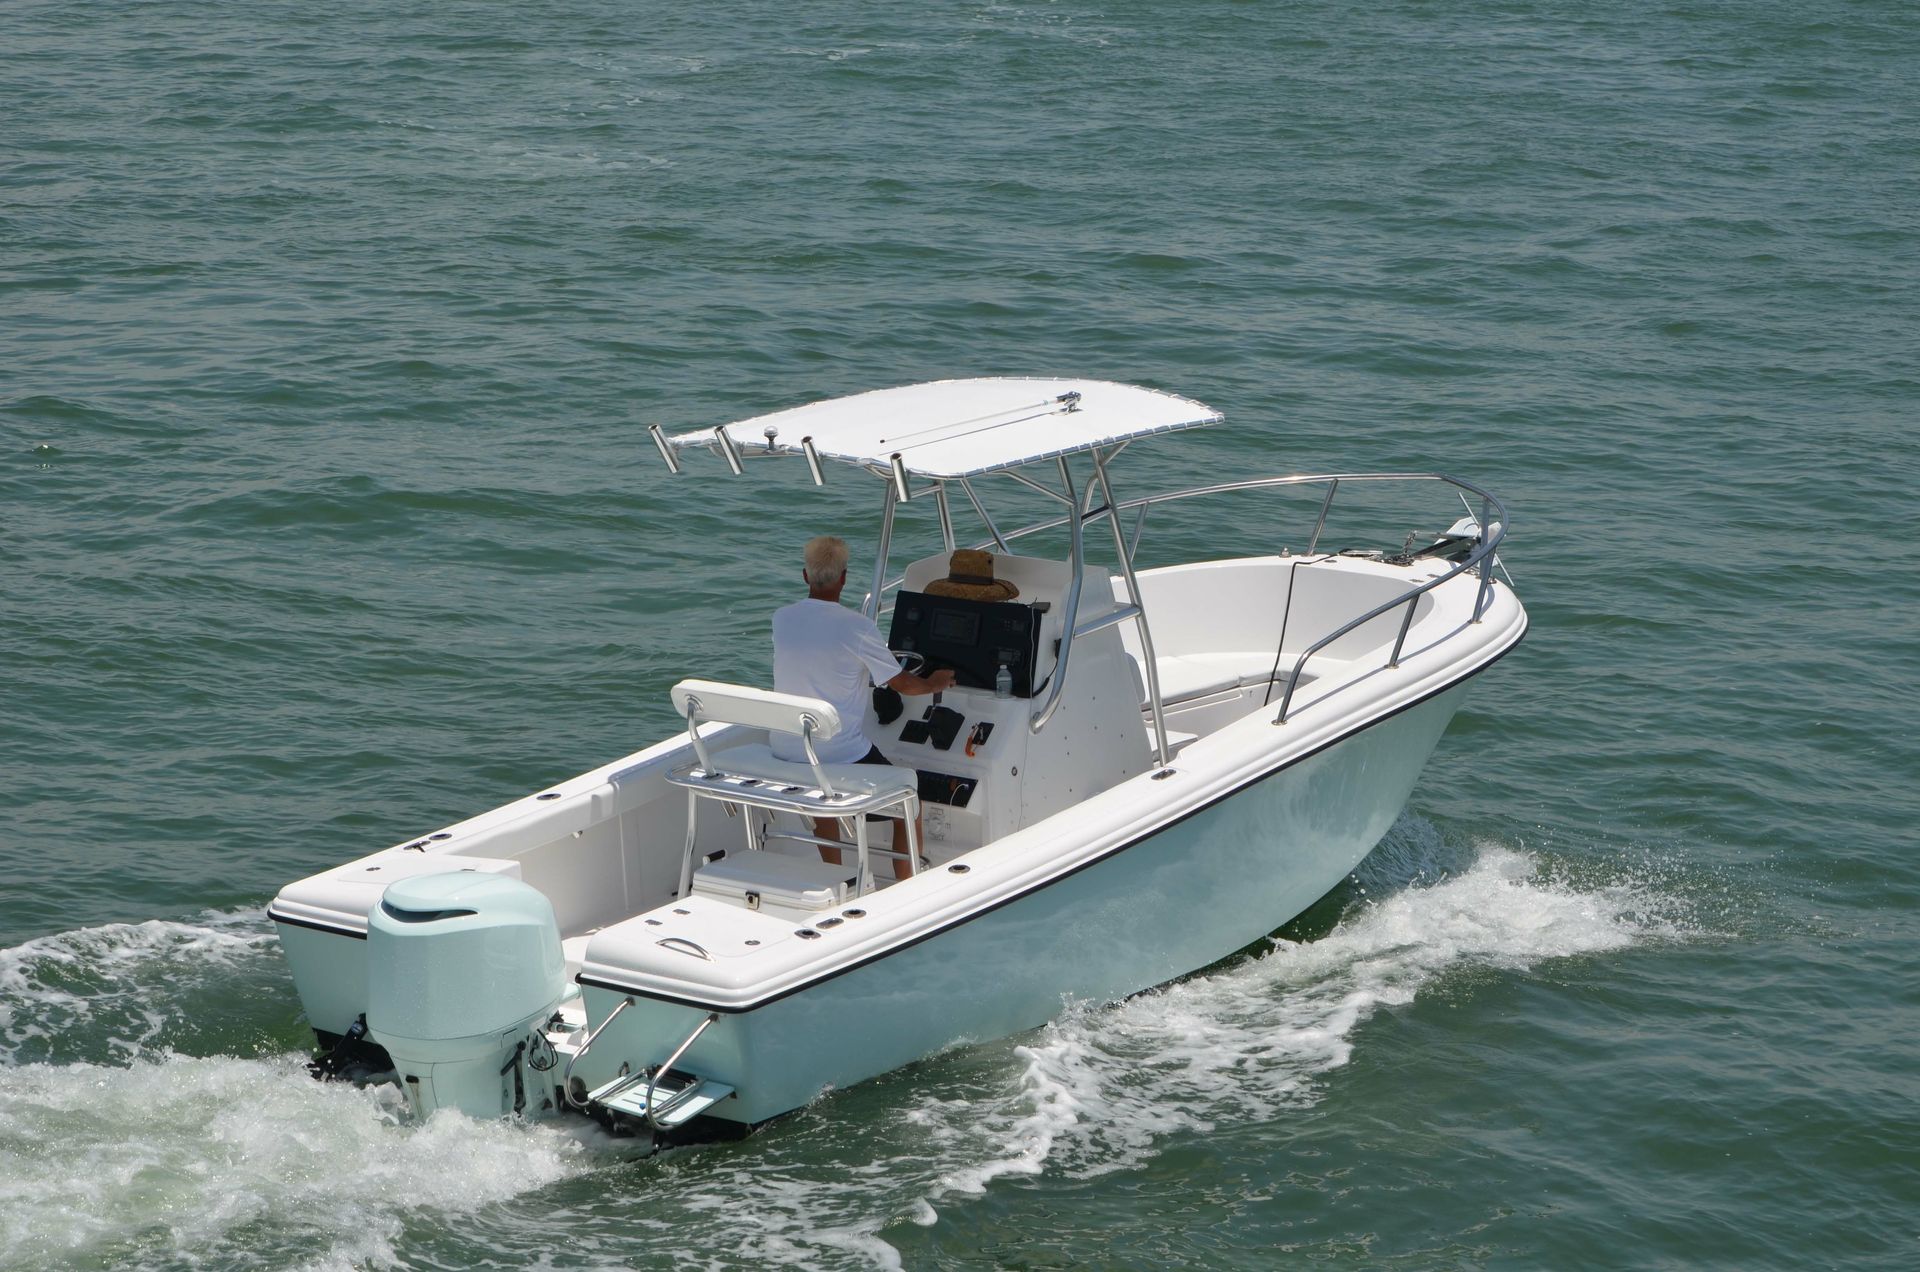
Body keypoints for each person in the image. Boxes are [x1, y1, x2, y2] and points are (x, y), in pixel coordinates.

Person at [772, 535, 954, 879]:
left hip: (787, 749)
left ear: (805, 576)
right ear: (843, 578)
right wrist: (935, 683)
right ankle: (907, 886)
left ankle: (834, 875)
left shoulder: (782, 619)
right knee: (908, 797)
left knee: (822, 794)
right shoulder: (858, 627)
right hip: (837, 755)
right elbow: (901, 683)